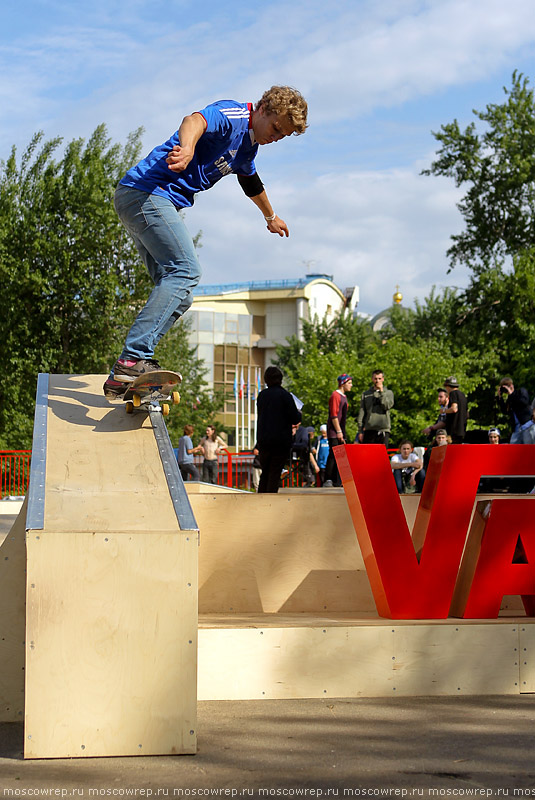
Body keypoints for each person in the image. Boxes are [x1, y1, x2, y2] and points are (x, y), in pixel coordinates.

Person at [103, 86, 308, 399]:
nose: (275, 136)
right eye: (276, 127)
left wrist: (270, 217)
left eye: (283, 136)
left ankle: (132, 367)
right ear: (262, 107)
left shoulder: (247, 149)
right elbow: (194, 120)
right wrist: (186, 148)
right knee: (185, 272)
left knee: (177, 293)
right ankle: (131, 359)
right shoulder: (234, 114)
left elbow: (250, 181)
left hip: (142, 199)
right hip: (147, 194)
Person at [256, 366, 301, 493]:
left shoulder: (262, 396)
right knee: (275, 472)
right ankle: (270, 501)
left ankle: (260, 499)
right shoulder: (285, 396)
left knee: (265, 471)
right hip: (280, 440)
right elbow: (294, 418)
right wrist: (299, 414)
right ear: (280, 379)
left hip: (264, 439)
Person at [324, 374, 353, 487]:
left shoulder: (344, 397)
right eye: (349, 383)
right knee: (333, 454)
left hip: (341, 430)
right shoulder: (335, 395)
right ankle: (328, 479)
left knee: (341, 455)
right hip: (334, 430)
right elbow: (334, 415)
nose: (351, 385)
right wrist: (338, 431)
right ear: (343, 383)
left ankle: (338, 480)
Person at [357, 370, 395, 446]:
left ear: (383, 379)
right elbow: (362, 412)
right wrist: (360, 431)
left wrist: (381, 392)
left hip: (383, 429)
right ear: (372, 379)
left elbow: (386, 406)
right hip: (369, 429)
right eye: (375, 378)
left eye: (379, 378)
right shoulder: (366, 394)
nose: (377, 381)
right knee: (368, 455)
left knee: (381, 455)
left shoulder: (388, 393)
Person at [497, 377, 535, 444]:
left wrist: (511, 394)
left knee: (529, 449)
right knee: (513, 449)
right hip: (516, 429)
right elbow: (505, 411)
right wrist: (500, 398)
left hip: (527, 426)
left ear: (511, 385)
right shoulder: (510, 398)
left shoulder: (521, 391)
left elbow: (524, 402)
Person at [444, 376, 468, 444]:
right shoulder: (463, 395)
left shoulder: (453, 394)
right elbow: (467, 414)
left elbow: (454, 409)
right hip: (462, 429)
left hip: (454, 429)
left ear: (448, 386)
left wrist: (443, 411)